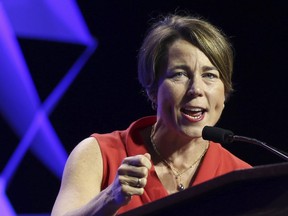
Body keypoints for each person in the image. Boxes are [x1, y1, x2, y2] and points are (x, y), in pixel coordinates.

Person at [51, 13, 252, 216]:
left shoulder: (241, 177)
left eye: (210, 75)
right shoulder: (98, 154)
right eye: (179, 74)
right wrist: (109, 198)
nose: (196, 89)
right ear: (152, 89)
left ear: (224, 93)